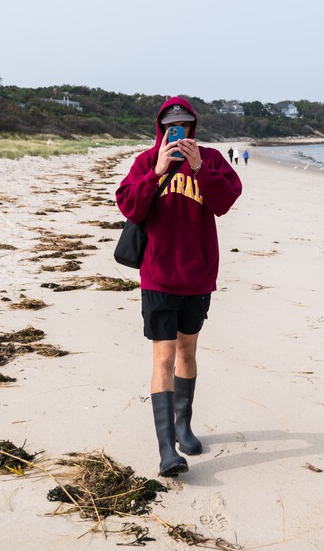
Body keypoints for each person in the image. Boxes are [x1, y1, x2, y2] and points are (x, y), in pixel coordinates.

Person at [116, 97, 242, 477]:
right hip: (157, 276)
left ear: (193, 127)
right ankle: (166, 449)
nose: (179, 132)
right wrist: (155, 173)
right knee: (164, 358)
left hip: (197, 277)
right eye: (172, 125)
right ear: (161, 127)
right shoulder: (145, 161)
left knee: (187, 353)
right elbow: (129, 208)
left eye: (185, 125)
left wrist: (199, 167)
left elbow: (224, 202)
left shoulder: (211, 160)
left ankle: (184, 426)